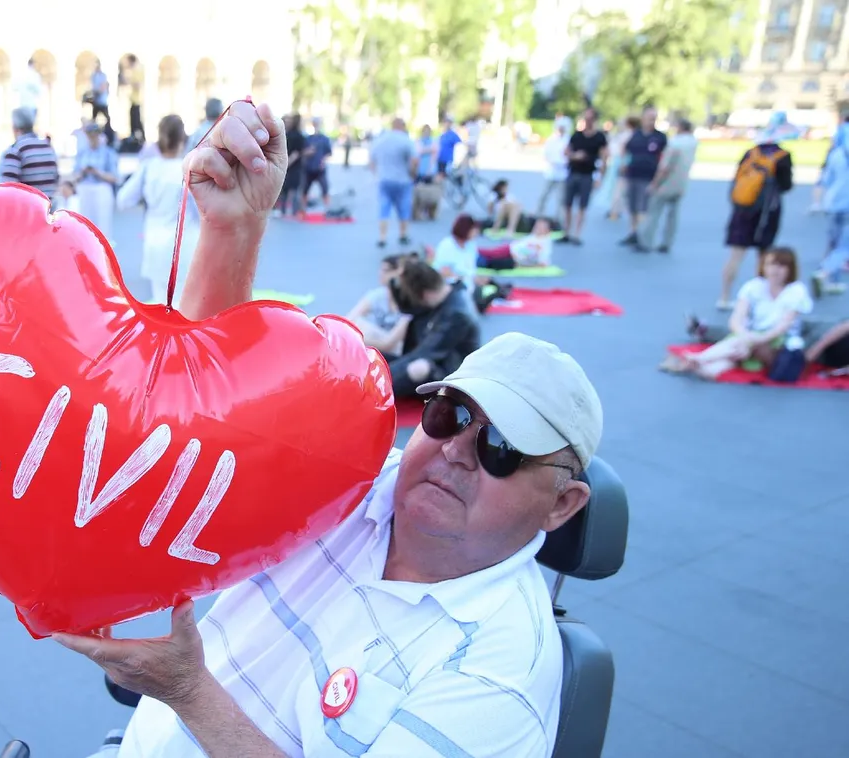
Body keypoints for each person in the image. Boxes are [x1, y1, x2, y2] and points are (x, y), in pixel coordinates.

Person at [55, 101, 602, 758]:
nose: (456, 450)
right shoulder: (360, 482)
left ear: (563, 504)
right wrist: (234, 224)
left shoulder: (500, 673)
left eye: (500, 448)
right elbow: (207, 421)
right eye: (448, 415)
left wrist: (187, 689)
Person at [662, 247, 811, 379]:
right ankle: (696, 365)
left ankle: (699, 358)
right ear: (763, 266)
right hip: (750, 338)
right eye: (771, 264)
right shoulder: (753, 286)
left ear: (790, 269)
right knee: (715, 368)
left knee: (739, 344)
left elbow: (782, 327)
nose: (775, 270)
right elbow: (736, 319)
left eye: (782, 265)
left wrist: (754, 339)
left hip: (779, 344)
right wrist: (746, 336)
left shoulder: (796, 290)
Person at [117, 115, 199, 303]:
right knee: (185, 304)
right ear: (182, 138)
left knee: (161, 302)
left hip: (155, 244)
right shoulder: (187, 169)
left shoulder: (149, 167)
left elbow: (123, 199)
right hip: (185, 245)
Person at [718, 113, 795, 309]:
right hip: (768, 211)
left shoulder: (751, 153)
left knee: (735, 255)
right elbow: (786, 185)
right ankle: (759, 300)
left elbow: (737, 178)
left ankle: (724, 297)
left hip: (743, 209)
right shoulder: (782, 157)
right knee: (764, 258)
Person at [381, 259, 481, 397]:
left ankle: (374, 391)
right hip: (437, 361)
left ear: (425, 294)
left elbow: (424, 353)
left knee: (418, 367)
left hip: (451, 375)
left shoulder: (456, 315)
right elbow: (407, 308)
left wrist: (378, 380)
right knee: (378, 356)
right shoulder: (447, 291)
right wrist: (395, 282)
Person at [638, 118, 697, 254]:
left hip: (666, 184)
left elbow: (665, 167)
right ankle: (667, 242)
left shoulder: (675, 144)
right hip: (681, 183)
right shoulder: (692, 143)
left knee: (654, 212)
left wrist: (655, 183)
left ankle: (646, 241)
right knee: (673, 215)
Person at [618, 107, 667, 249]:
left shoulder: (660, 137)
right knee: (632, 206)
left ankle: (642, 235)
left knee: (644, 207)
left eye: (654, 118)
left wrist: (658, 179)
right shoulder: (636, 134)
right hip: (633, 174)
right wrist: (623, 163)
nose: (651, 121)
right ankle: (633, 232)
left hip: (649, 176)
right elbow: (625, 148)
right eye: (649, 118)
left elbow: (665, 157)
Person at [811, 121, 849, 298]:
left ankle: (831, 280)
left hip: (833, 203)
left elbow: (826, 180)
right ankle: (823, 273)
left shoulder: (836, 155)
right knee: (844, 246)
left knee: (834, 242)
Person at [562, 107, 608, 246]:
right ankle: (566, 232)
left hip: (587, 175)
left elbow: (604, 158)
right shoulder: (577, 135)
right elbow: (566, 152)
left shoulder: (600, 137)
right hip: (573, 172)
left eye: (590, 119)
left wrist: (600, 177)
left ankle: (577, 234)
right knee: (568, 204)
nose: (587, 121)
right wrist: (575, 156)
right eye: (586, 118)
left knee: (582, 206)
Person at [370, 117, 418, 247]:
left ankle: (382, 237)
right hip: (402, 180)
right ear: (403, 126)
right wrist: (413, 174)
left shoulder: (380, 140)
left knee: (383, 208)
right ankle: (403, 235)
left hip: (384, 179)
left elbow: (372, 160)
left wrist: (377, 174)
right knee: (404, 208)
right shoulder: (406, 140)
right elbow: (415, 160)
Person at [0, 107, 59, 199]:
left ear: (15, 127)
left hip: (27, 205)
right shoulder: (47, 147)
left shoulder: (15, 150)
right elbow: (56, 178)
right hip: (49, 204)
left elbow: (8, 188)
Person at [74, 122, 120, 240]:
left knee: (103, 224)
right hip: (85, 188)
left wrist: (98, 173)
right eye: (90, 135)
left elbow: (114, 176)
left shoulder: (108, 153)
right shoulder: (82, 153)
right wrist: (83, 172)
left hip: (101, 187)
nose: (92, 138)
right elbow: (75, 176)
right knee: (85, 223)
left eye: (94, 135)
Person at [431, 213, 480, 295]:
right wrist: (463, 278)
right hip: (452, 288)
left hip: (469, 285)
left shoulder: (471, 245)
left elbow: (471, 269)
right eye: (474, 229)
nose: (477, 232)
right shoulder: (447, 245)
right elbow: (443, 272)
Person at [536, 116, 571, 220]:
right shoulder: (551, 139)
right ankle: (538, 215)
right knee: (544, 195)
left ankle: (558, 218)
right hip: (551, 171)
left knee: (561, 198)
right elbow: (546, 154)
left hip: (563, 172)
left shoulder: (568, 140)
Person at [301, 117, 333, 209]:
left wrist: (323, 159)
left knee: (325, 189)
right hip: (309, 168)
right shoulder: (308, 139)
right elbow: (302, 152)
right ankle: (302, 209)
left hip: (320, 169)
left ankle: (328, 209)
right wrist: (308, 152)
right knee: (305, 190)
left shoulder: (324, 139)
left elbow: (329, 153)